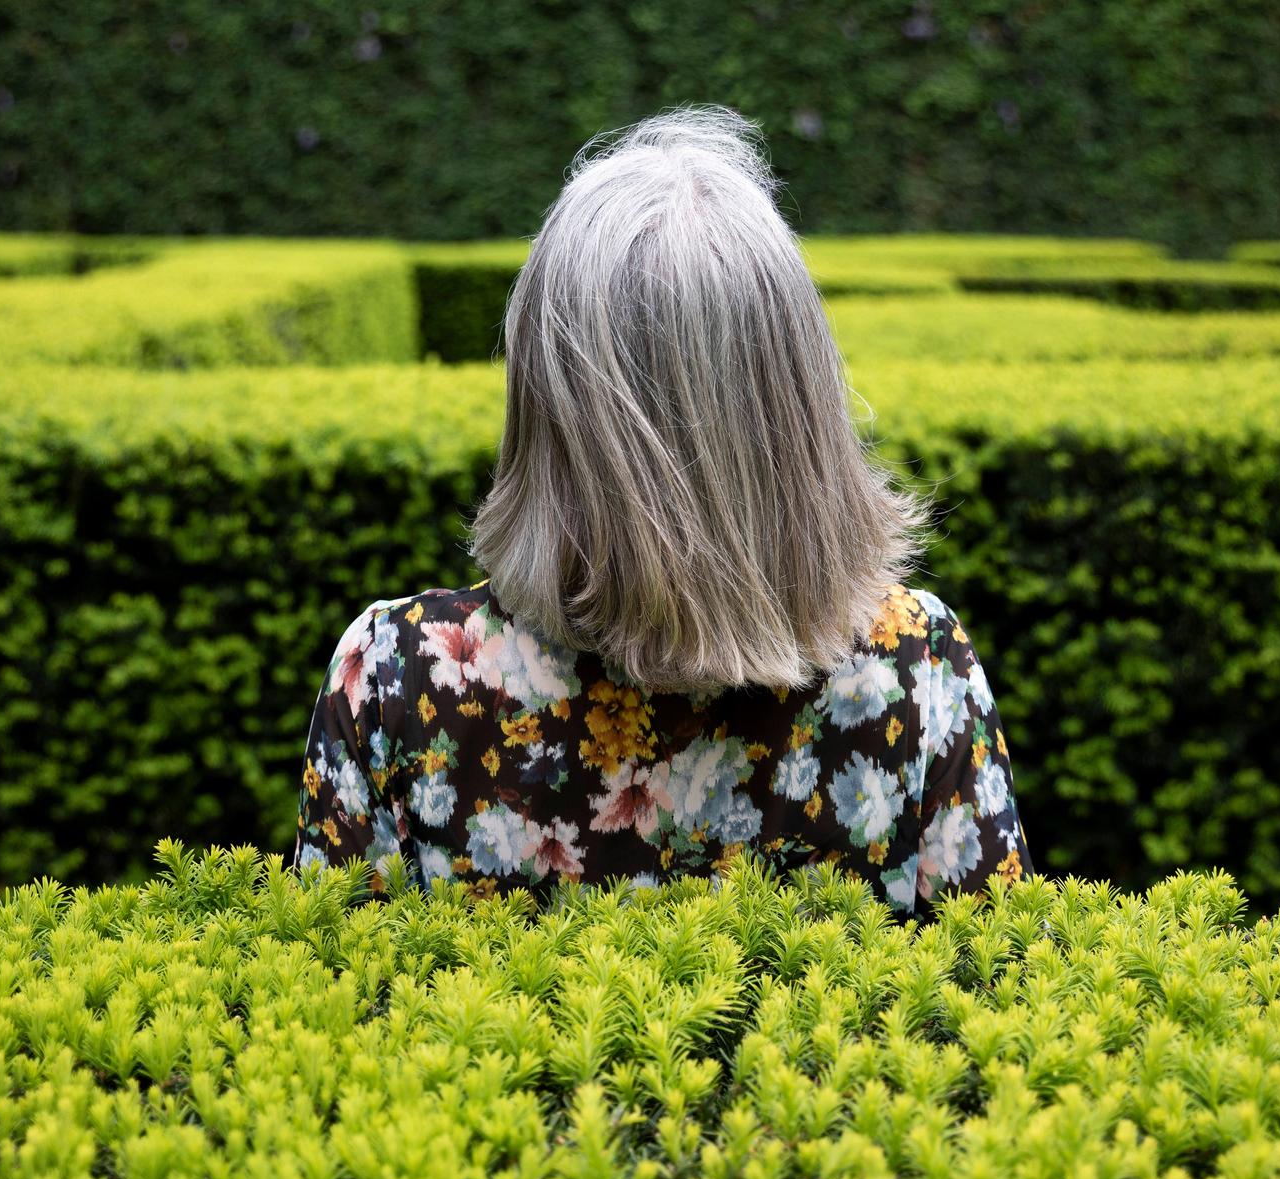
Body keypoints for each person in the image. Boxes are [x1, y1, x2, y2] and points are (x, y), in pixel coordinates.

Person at [289, 105, 1030, 916]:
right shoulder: (917, 670)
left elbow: (341, 1011)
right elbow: (990, 1005)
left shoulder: (397, 676)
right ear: (796, 398)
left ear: (543, 399)